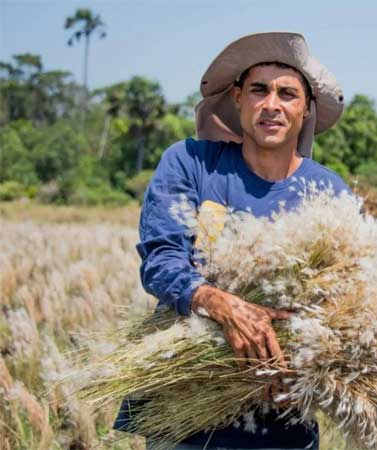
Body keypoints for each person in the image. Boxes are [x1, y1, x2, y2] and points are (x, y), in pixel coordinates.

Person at [113, 32, 349, 450]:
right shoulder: (191, 162)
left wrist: (304, 363)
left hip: (282, 422)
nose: (271, 105)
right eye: (259, 90)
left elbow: (348, 300)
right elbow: (161, 259)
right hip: (184, 406)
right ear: (238, 98)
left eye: (287, 94)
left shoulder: (329, 194)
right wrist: (219, 304)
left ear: (306, 109)